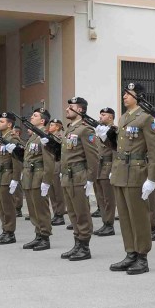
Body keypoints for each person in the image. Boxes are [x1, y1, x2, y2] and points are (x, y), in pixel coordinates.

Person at [103, 82, 155, 274]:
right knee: (126, 217)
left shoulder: (145, 118)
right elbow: (119, 148)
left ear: (139, 97)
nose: (124, 96)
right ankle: (130, 253)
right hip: (121, 172)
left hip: (136, 173)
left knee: (138, 217)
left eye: (129, 93)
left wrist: (152, 179)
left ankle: (142, 257)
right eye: (124, 93)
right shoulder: (123, 118)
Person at [55, 97, 99, 261]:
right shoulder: (68, 130)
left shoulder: (85, 130)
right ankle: (77, 244)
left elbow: (93, 157)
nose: (67, 109)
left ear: (80, 110)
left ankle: (84, 247)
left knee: (82, 213)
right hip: (68, 176)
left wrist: (90, 180)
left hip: (79, 177)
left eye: (71, 107)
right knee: (73, 213)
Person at [21, 108, 55, 250]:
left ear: (42, 121)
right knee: (33, 208)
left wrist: (46, 181)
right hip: (30, 177)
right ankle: (38, 234)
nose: (31, 117)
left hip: (39, 176)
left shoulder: (44, 136)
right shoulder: (33, 136)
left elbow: (49, 160)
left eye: (34, 116)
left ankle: (45, 237)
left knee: (41, 209)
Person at [0, 113, 23, 245]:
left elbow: (17, 160)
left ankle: (10, 233)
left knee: (8, 206)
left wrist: (15, 179)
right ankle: (5, 230)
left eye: (1, 121)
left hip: (7, 176)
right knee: (1, 206)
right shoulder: (2, 138)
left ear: (9, 124)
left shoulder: (13, 139)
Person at [93, 107, 117, 237]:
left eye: (103, 115)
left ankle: (109, 224)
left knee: (109, 198)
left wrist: (113, 169)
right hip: (98, 167)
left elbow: (115, 150)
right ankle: (105, 222)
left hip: (108, 166)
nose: (100, 117)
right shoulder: (98, 131)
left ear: (110, 117)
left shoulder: (114, 131)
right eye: (100, 114)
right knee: (100, 198)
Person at [47, 119, 67, 226]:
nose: (50, 126)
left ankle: (60, 214)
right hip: (50, 165)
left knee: (58, 191)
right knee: (52, 191)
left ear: (58, 127)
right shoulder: (49, 137)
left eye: (52, 125)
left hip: (57, 164)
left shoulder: (61, 136)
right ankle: (55, 213)